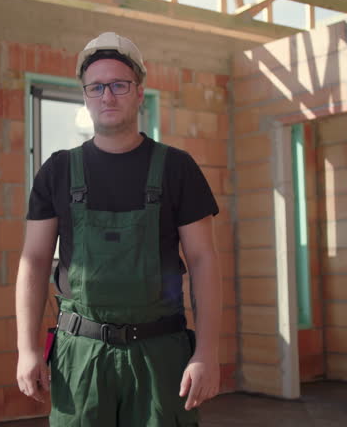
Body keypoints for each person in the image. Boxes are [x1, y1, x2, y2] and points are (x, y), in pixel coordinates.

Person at [15, 32, 221, 427]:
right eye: (96, 87)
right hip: (80, 358)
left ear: (139, 92)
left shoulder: (177, 169)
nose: (107, 96)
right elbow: (35, 260)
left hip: (160, 356)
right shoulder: (57, 172)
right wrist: (27, 349)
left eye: (119, 85)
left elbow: (202, 260)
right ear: (86, 96)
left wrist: (206, 352)